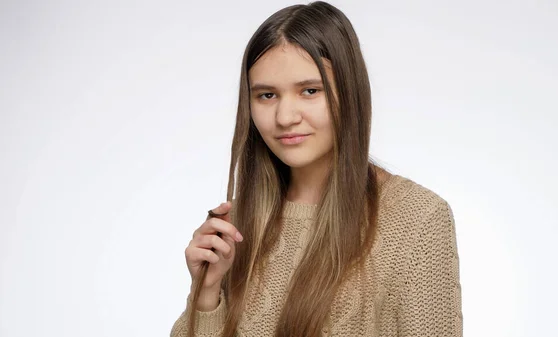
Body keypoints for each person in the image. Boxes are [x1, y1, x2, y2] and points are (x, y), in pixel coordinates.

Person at [170, 1, 463, 336]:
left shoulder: (416, 218)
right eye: (266, 96)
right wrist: (206, 293)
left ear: (350, 93)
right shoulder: (236, 226)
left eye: (310, 91)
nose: (285, 117)